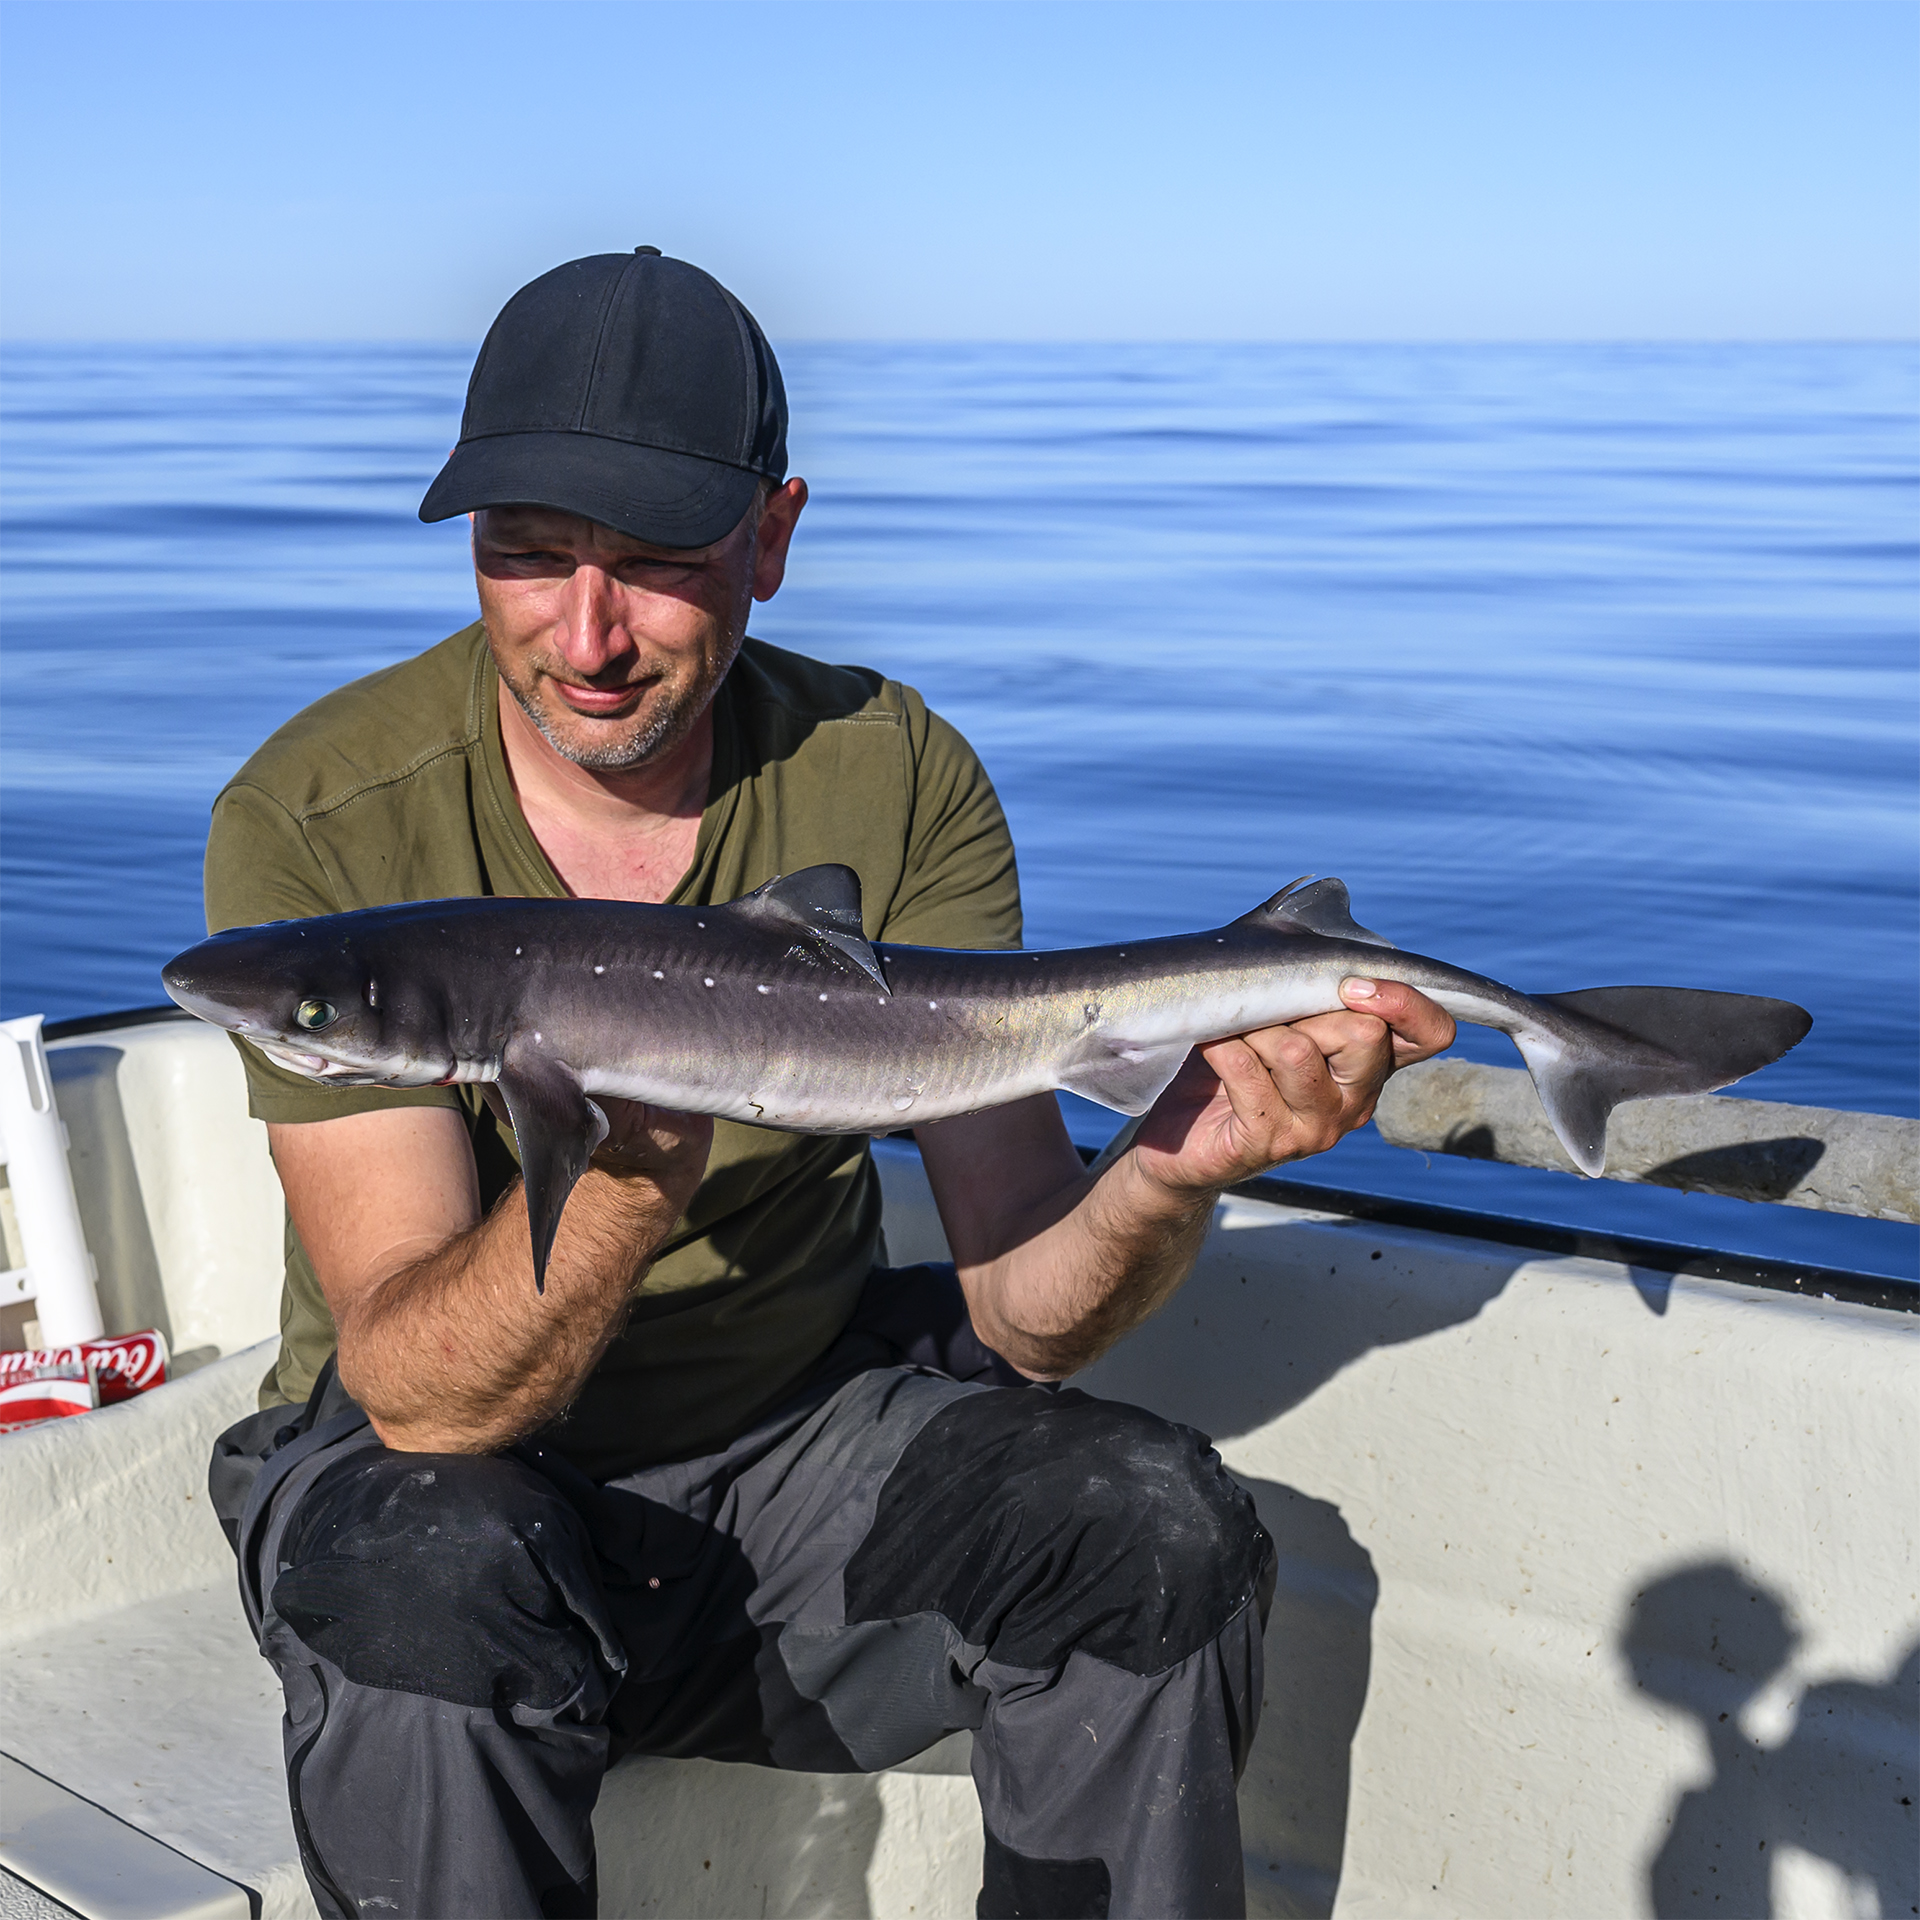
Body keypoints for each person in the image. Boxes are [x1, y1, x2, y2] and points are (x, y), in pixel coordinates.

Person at [203, 249, 1455, 1919]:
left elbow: (1019, 1310)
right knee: (431, 1578)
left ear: (773, 538)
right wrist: (639, 1158)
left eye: (653, 565)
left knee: (1151, 1525)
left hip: (792, 1444)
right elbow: (427, 1400)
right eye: (524, 558)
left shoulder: (889, 769)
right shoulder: (325, 819)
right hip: (429, 1472)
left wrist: (1170, 1164)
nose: (585, 634)